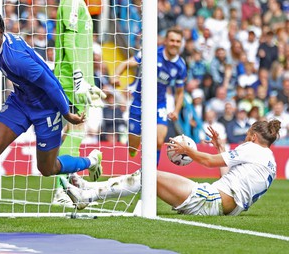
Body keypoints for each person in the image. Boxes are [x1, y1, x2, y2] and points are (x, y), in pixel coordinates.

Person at [0, 10, 103, 224]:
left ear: (1, 32)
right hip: (21, 102)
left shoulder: (17, 59)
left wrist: (67, 113)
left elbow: (50, 84)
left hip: (46, 108)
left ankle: (92, 160)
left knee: (47, 169)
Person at [62, 120, 281, 216]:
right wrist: (220, 147)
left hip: (210, 199)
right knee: (147, 177)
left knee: (148, 175)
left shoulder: (251, 148)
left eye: (247, 135)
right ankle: (89, 188)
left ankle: (87, 196)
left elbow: (207, 162)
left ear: (253, 136)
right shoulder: (270, 160)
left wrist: (187, 149)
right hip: (220, 204)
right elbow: (230, 179)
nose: (245, 138)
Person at [51, 0, 107, 206]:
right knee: (75, 131)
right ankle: (61, 190)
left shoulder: (80, 5)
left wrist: (89, 82)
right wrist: (77, 77)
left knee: (73, 132)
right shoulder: (72, 2)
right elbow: (68, 39)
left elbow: (80, 46)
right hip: (70, 81)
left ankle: (70, 181)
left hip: (78, 80)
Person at [111, 28, 185, 163]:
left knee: (159, 140)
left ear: (181, 43)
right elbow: (126, 63)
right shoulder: (152, 53)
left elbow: (180, 92)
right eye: (172, 40)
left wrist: (176, 110)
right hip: (140, 101)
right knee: (133, 146)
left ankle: (153, 175)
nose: (174, 44)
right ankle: (133, 149)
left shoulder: (180, 66)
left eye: (178, 41)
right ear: (166, 41)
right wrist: (116, 76)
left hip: (160, 103)